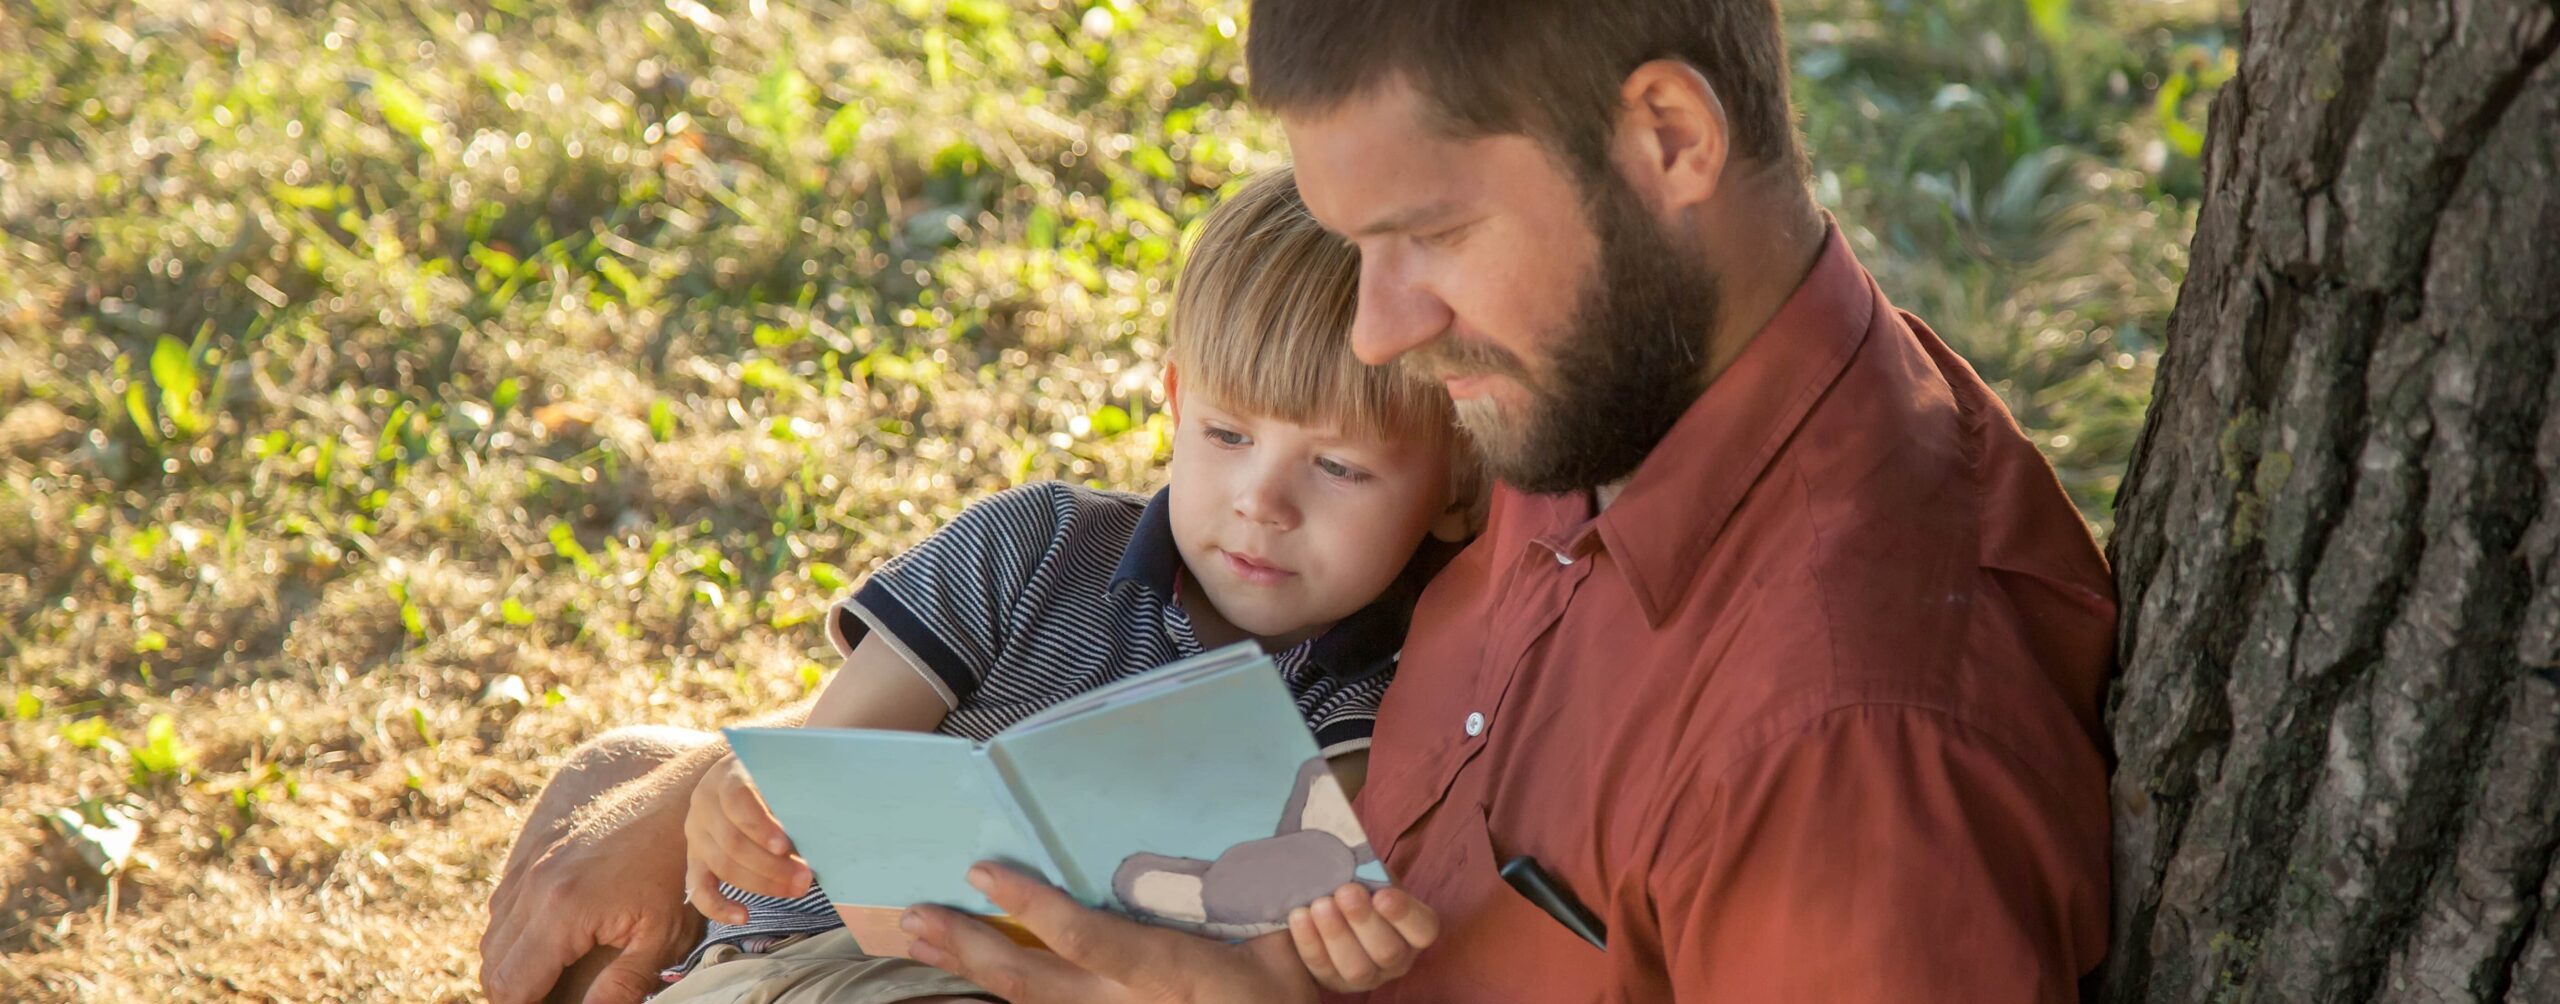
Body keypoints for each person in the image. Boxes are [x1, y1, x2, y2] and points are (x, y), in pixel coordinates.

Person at [484, 0, 2120, 1000]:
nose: (1386, 329)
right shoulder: (1602, 390)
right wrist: (700, 769)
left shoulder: (1848, 743)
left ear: (1669, 136)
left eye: (1427, 236)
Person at [487, 170, 1471, 1004]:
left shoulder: (1373, 698)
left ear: (1456, 485)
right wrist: (746, 802)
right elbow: (830, 758)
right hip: (808, 966)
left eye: (1337, 468)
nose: (1263, 502)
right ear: (1173, 398)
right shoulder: (1037, 544)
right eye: (1227, 435)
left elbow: (1274, 950)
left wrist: (1331, 957)